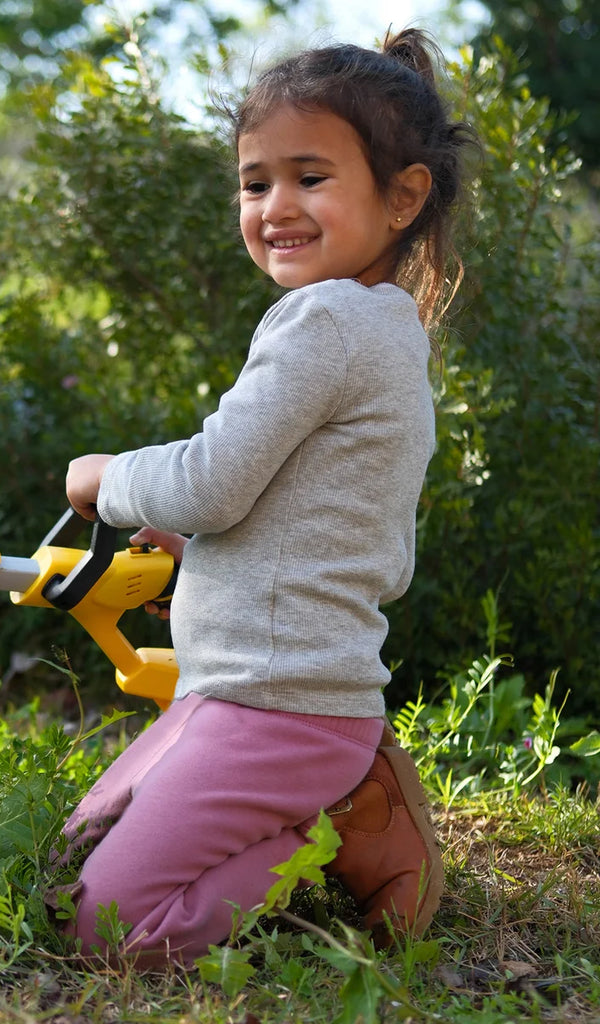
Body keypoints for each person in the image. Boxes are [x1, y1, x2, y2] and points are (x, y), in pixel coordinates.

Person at [53, 27, 478, 967]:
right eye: (255, 183)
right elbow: (327, 517)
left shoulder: (325, 321)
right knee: (70, 854)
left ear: (403, 196)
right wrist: (200, 551)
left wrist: (107, 479)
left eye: (310, 177)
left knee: (106, 927)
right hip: (242, 695)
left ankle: (332, 827)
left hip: (282, 711)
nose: (276, 206)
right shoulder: (383, 329)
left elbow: (212, 481)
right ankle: (333, 793)